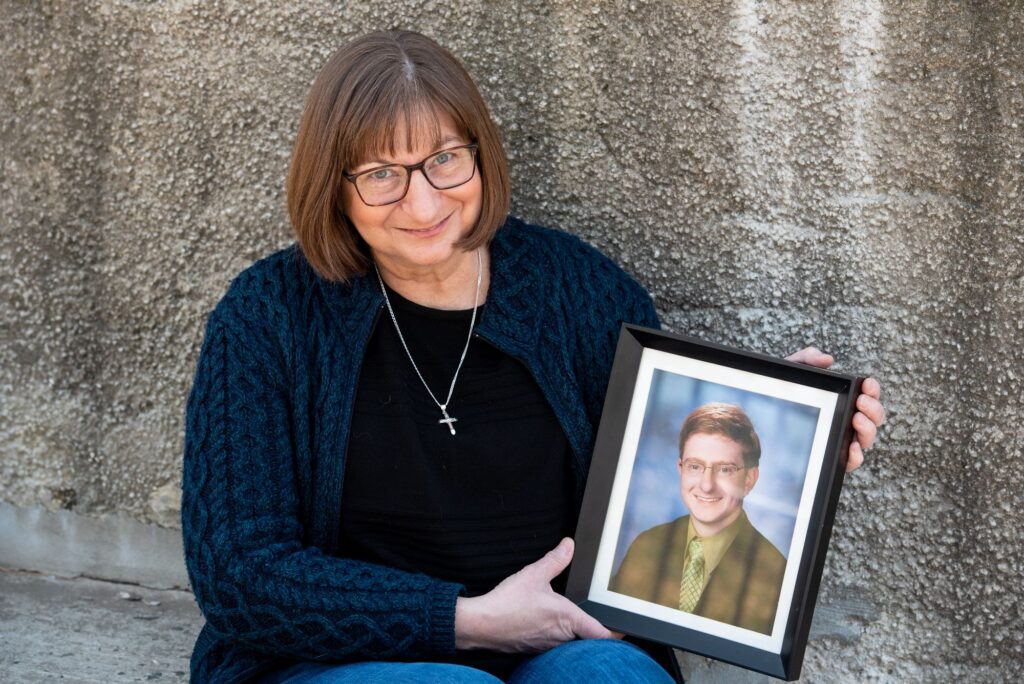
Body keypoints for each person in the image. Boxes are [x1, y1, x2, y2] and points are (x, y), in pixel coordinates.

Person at [180, 30, 885, 683]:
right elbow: (239, 571)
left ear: (480, 155)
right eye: (380, 173)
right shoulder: (268, 316)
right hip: (337, 659)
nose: (422, 201)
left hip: (565, 639)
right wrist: (467, 622)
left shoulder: (580, 292)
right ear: (334, 186)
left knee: (609, 679)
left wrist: (786, 419)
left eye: (443, 160)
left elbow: (656, 483)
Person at [610, 403, 787, 635]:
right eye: (695, 466)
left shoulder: (775, 574)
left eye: (724, 469)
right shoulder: (647, 543)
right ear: (680, 469)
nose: (706, 485)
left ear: (749, 480)